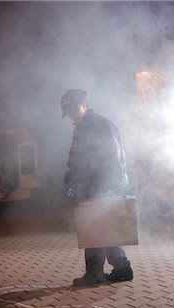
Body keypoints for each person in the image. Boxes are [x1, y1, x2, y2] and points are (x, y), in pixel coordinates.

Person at [61, 89, 134, 286]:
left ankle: (94, 273)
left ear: (84, 103)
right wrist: (72, 175)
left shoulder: (100, 124)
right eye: (67, 111)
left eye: (72, 108)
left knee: (93, 226)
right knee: (105, 226)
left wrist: (105, 186)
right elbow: (77, 158)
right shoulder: (81, 127)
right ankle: (121, 268)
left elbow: (114, 157)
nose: (70, 114)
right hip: (94, 185)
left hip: (103, 185)